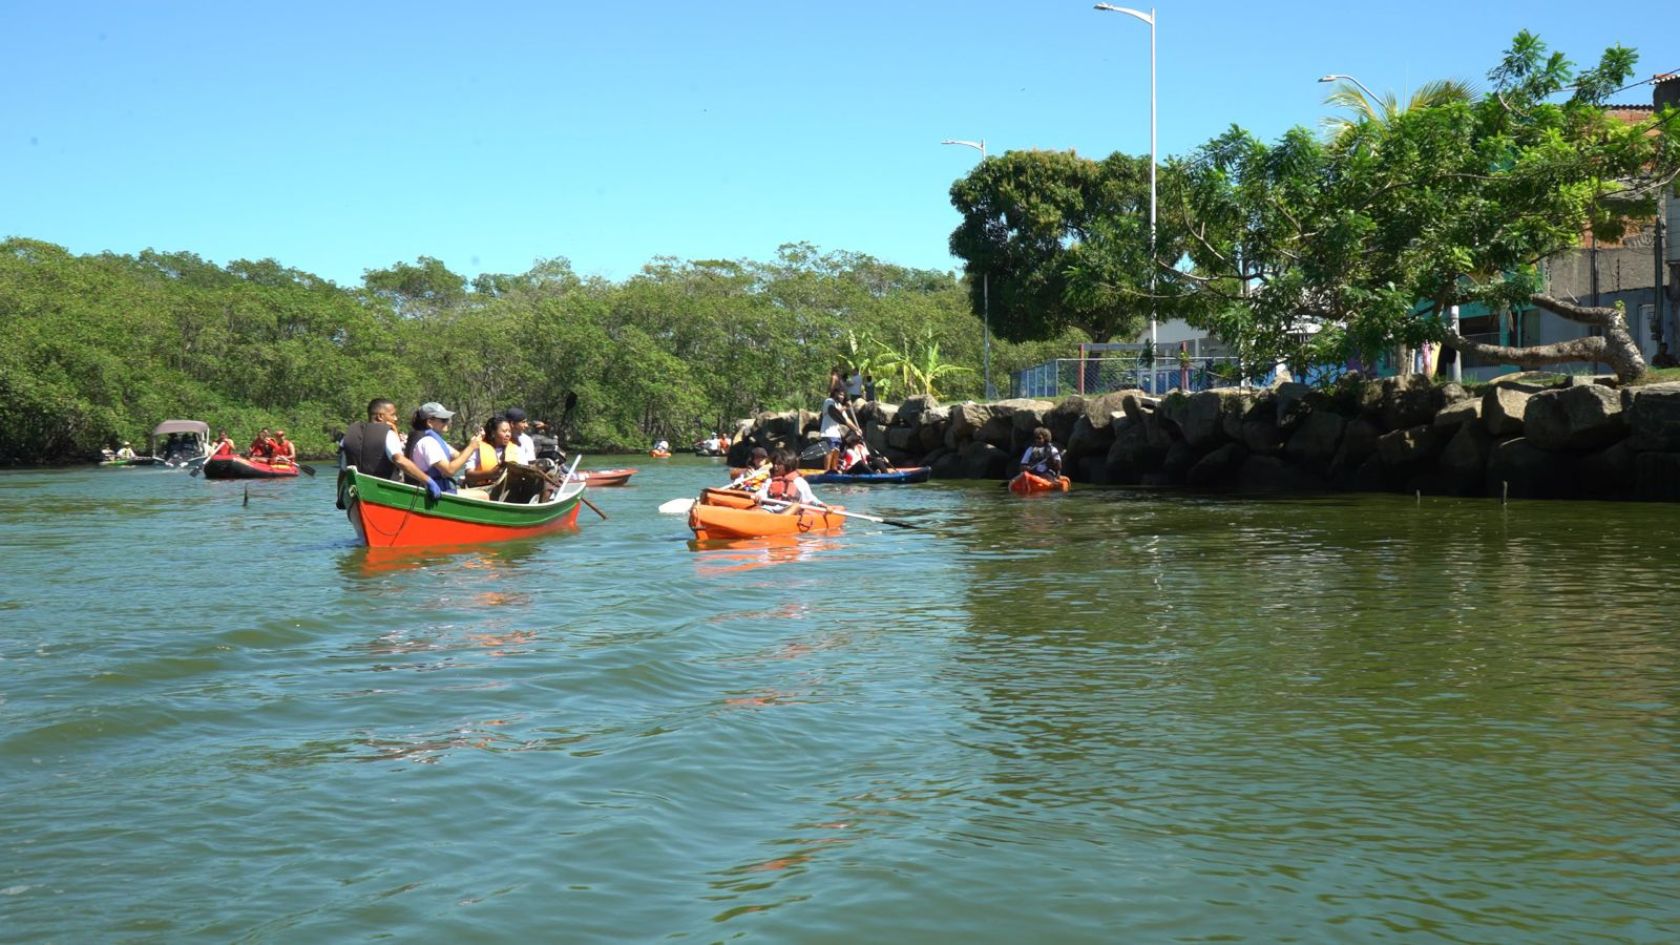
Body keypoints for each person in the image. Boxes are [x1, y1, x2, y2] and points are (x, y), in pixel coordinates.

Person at [338, 398, 433, 495]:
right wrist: (427, 480)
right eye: (392, 415)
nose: (396, 418)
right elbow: (399, 460)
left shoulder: (350, 435)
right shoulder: (388, 434)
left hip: (357, 492)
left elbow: (344, 470)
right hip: (385, 493)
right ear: (380, 416)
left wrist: (339, 496)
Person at [404, 402, 480, 496]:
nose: (448, 422)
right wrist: (471, 447)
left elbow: (460, 457)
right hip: (430, 493)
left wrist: (475, 443)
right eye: (444, 420)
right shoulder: (427, 442)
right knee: (484, 496)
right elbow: (449, 471)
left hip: (441, 489)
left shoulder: (435, 440)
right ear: (430, 422)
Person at [759, 448, 826, 511]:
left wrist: (822, 505)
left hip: (789, 510)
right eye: (774, 464)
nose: (775, 466)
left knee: (796, 506)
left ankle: (780, 520)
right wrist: (759, 496)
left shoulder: (799, 481)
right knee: (763, 510)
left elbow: (810, 498)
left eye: (779, 464)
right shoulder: (770, 480)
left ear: (788, 465)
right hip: (770, 508)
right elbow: (762, 492)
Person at [463, 416, 521, 488]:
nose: (508, 434)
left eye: (509, 431)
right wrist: (490, 474)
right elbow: (468, 475)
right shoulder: (478, 448)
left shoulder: (514, 448)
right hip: (481, 488)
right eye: (504, 431)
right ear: (493, 433)